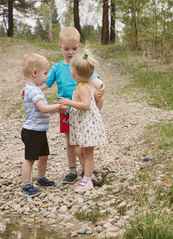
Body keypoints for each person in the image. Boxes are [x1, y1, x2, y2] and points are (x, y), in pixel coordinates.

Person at [21, 26, 105, 184]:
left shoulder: (81, 64)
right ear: (60, 47)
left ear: (79, 46)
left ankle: (87, 170)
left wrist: (101, 85)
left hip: (81, 110)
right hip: (65, 111)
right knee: (70, 141)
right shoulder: (58, 67)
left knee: (84, 140)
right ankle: (72, 170)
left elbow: (92, 77)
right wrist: (30, 89)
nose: (71, 52)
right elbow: (45, 84)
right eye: (67, 49)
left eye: (74, 48)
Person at [58, 51, 108, 192]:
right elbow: (98, 101)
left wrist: (70, 102)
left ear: (75, 73)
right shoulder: (83, 87)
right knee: (79, 150)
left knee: (87, 153)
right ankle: (89, 174)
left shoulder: (84, 88)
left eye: (72, 69)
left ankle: (87, 179)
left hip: (87, 128)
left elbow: (86, 105)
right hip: (85, 127)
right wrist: (95, 113)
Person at [20, 53, 69, 197]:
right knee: (30, 159)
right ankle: (26, 185)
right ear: (35, 73)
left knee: (44, 155)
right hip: (32, 131)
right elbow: (43, 108)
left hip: (40, 131)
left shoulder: (32, 89)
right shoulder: (33, 91)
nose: (47, 77)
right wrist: (59, 107)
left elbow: (43, 111)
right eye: (45, 73)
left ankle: (40, 178)